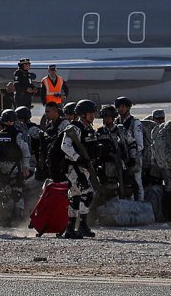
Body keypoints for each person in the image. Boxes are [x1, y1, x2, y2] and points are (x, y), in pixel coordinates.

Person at [58, 99, 99, 239]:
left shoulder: (89, 129)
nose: (92, 116)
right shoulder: (74, 128)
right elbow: (65, 146)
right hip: (73, 167)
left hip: (84, 168)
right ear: (82, 114)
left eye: (93, 113)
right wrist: (77, 158)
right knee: (87, 193)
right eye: (89, 113)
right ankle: (81, 225)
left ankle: (71, 228)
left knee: (75, 196)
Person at [0, 109, 32, 223]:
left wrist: (25, 167)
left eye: (11, 120)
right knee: (5, 194)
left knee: (17, 192)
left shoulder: (18, 135)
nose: (9, 122)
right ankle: (8, 217)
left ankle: (19, 217)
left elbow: (25, 151)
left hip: (15, 168)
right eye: (7, 120)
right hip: (1, 169)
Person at [114, 97, 145, 201]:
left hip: (135, 157)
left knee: (137, 182)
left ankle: (140, 203)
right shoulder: (115, 122)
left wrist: (133, 156)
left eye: (123, 106)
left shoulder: (135, 122)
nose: (120, 109)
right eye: (118, 107)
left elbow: (139, 144)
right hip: (121, 158)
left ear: (128, 108)